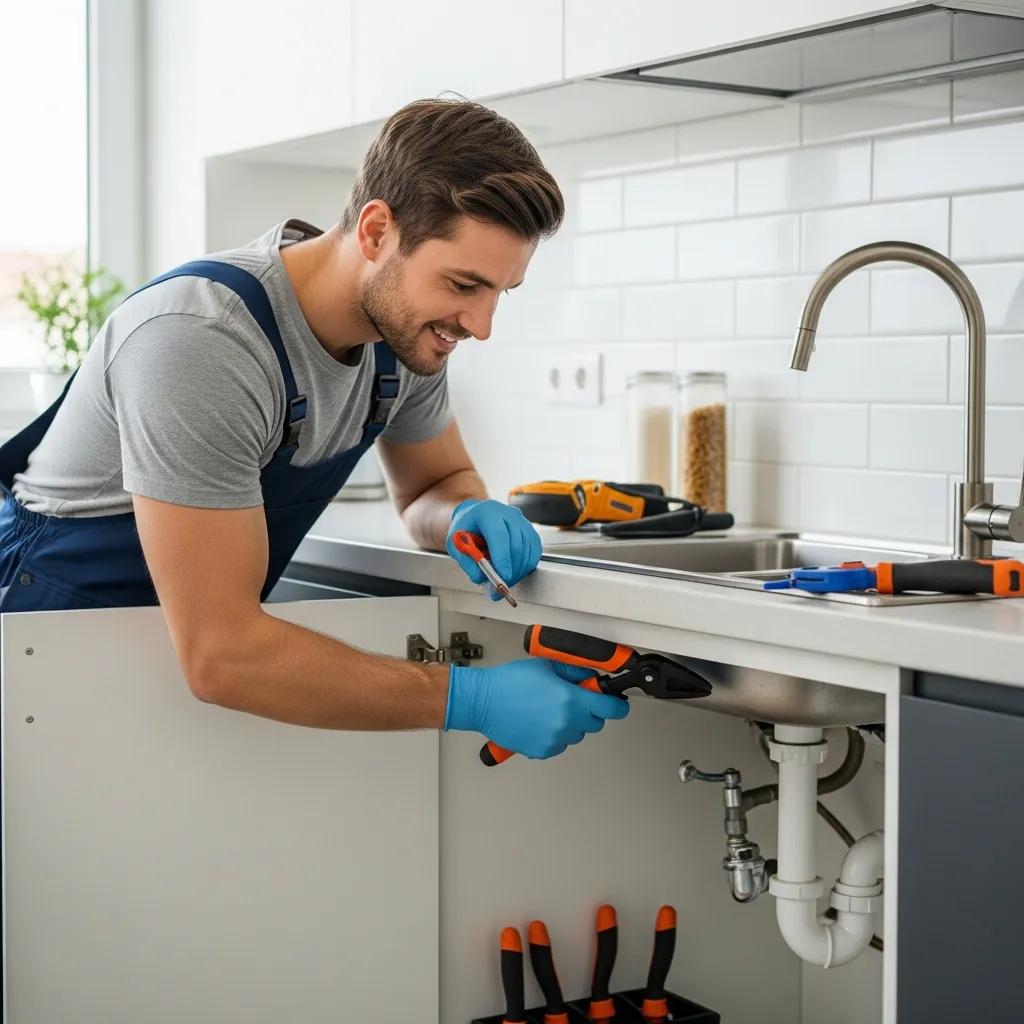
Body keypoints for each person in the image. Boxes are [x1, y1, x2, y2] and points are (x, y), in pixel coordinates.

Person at [0, 98, 629, 760]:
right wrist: (470, 699)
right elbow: (224, 656)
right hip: (47, 650)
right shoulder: (204, 341)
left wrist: (460, 515)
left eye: (501, 292)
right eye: (464, 285)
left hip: (167, 657)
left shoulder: (407, 335)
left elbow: (430, 487)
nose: (481, 324)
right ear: (377, 231)